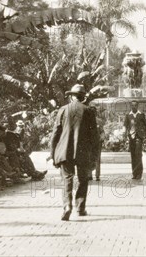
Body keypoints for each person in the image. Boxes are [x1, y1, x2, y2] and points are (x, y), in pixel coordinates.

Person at [51, 84, 99, 221]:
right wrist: (94, 156)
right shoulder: (89, 111)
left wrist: (53, 153)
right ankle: (80, 207)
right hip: (83, 151)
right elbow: (94, 136)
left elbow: (55, 133)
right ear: (83, 97)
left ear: (72, 96)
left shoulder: (63, 110)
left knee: (67, 179)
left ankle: (67, 206)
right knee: (83, 179)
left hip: (64, 150)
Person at [124, 101, 146, 180]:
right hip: (131, 137)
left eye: (135, 105)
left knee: (138, 155)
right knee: (133, 156)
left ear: (137, 106)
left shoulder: (141, 115)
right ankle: (134, 173)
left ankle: (139, 174)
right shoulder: (128, 115)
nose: (134, 107)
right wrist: (125, 136)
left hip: (139, 137)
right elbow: (125, 126)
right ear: (131, 106)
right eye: (132, 105)